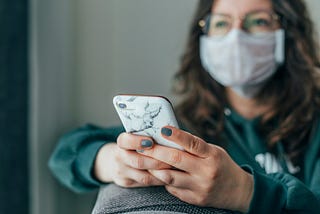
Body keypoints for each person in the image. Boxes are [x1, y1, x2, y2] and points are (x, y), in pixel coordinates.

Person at [48, 0, 320, 213]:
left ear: (289, 34)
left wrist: (246, 192)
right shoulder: (186, 127)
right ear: (202, 38)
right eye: (221, 23)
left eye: (258, 21)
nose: (236, 37)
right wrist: (111, 161)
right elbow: (65, 154)